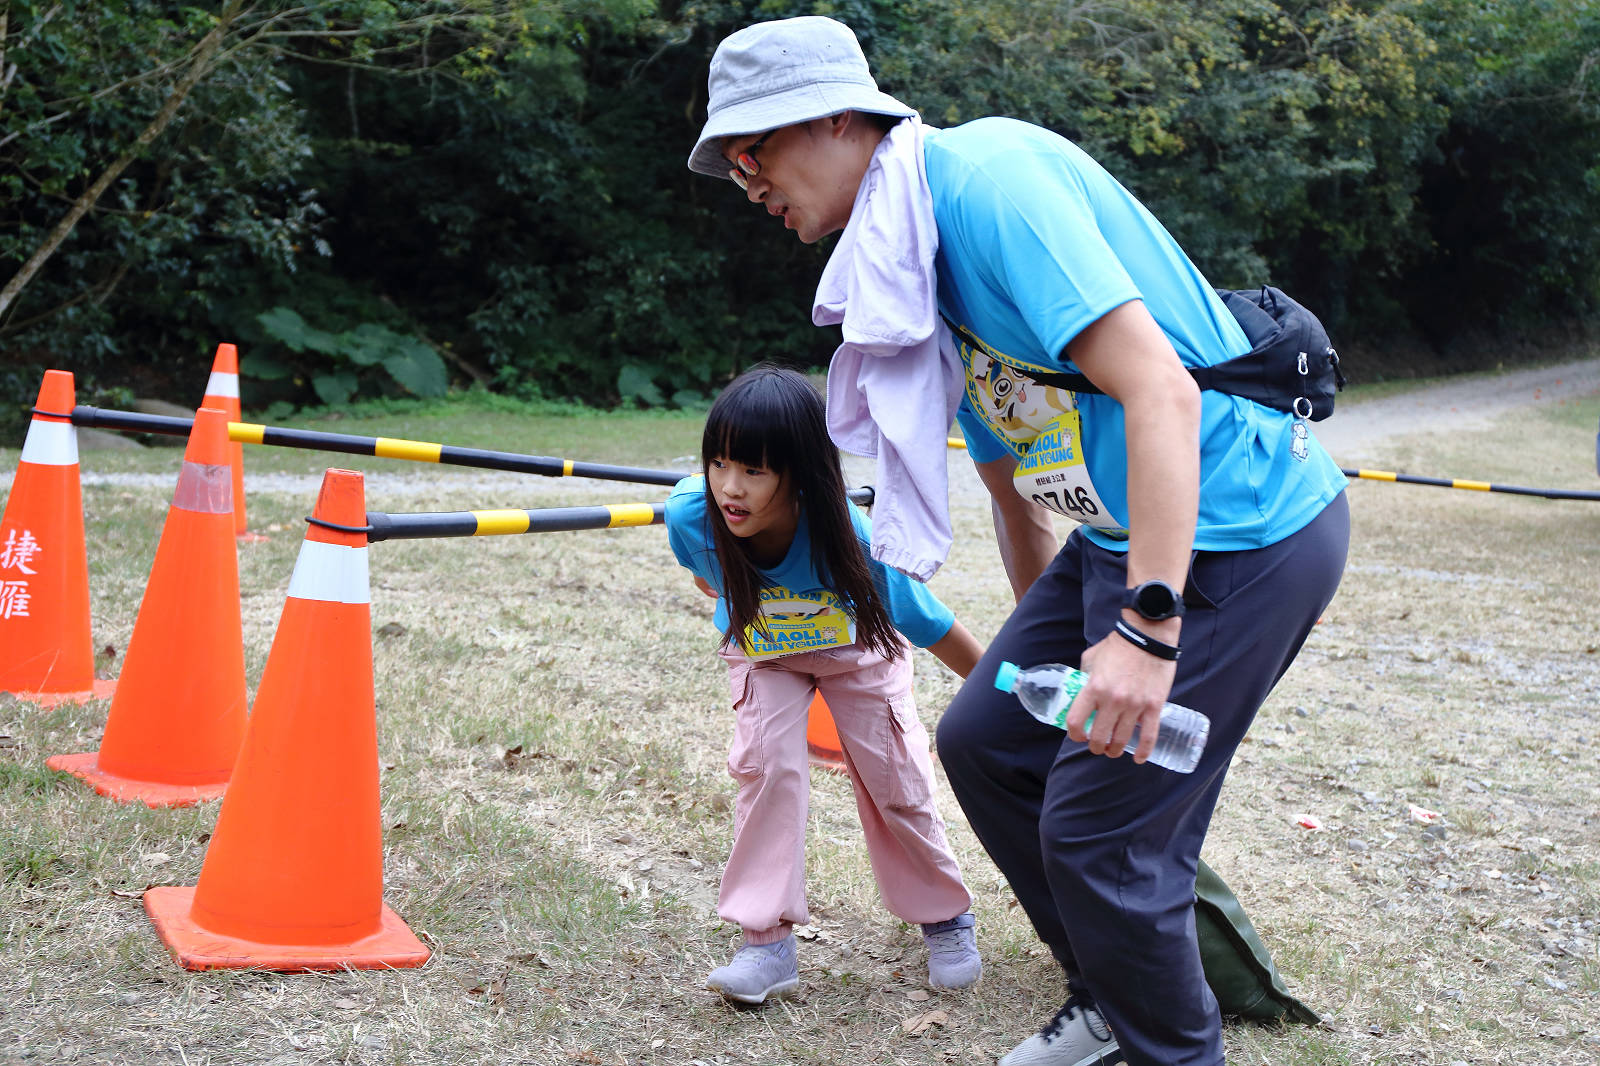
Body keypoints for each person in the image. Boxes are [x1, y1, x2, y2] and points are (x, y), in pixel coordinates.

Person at [685, 16, 1351, 1066]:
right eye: (730, 169)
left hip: (1239, 532)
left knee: (1099, 831)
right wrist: (1047, 653)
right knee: (989, 745)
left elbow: (1160, 393)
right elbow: (1018, 495)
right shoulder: (914, 268)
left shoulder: (986, 185)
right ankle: (1104, 996)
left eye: (750, 152)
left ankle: (1171, 1048)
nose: (745, 180)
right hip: (1116, 537)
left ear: (827, 118)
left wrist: (1144, 627)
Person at [664, 364, 987, 1006]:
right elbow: (709, 577)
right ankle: (766, 945)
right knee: (765, 773)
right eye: (719, 464)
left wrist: (999, 692)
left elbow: (932, 622)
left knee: (895, 778)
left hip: (859, 650)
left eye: (754, 471)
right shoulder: (691, 518)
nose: (731, 487)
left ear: (802, 474)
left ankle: (946, 918)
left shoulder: (852, 541)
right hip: (768, 656)